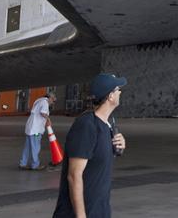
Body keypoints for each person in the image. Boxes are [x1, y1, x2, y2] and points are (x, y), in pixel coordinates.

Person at [53, 73, 127, 218]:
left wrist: (119, 147)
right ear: (110, 96)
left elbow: (99, 162)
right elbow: (74, 175)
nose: (120, 92)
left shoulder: (108, 125)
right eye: (118, 89)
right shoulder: (86, 126)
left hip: (99, 209)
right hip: (80, 213)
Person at [21, 88, 54, 170]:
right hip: (35, 129)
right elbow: (43, 113)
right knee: (35, 146)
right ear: (50, 98)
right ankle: (35, 165)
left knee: (28, 147)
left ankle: (23, 163)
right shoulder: (45, 102)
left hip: (30, 127)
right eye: (53, 101)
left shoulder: (39, 100)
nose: (52, 103)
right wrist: (48, 119)